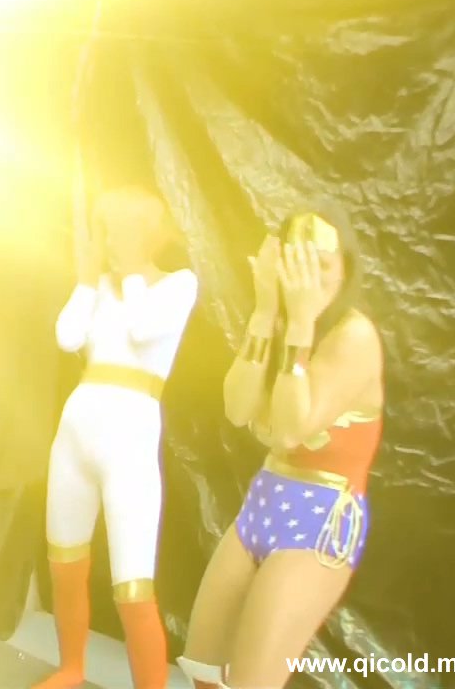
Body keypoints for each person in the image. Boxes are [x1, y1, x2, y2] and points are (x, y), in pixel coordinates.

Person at [176, 210, 385, 689]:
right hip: (264, 501)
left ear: (346, 269)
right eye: (298, 261)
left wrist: (299, 326)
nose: (308, 277)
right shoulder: (282, 324)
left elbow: (291, 430)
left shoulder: (354, 337)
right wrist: (265, 313)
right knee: (204, 670)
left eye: (322, 264)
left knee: (253, 682)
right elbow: (237, 407)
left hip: (320, 520)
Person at [35, 187, 199, 689]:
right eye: (106, 230)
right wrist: (87, 281)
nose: (111, 240)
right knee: (65, 564)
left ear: (150, 233)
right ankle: (71, 668)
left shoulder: (178, 285)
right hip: (74, 435)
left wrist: (127, 272)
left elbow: (144, 328)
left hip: (129, 442)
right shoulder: (101, 286)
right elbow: (67, 336)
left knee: (133, 586)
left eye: (121, 229)